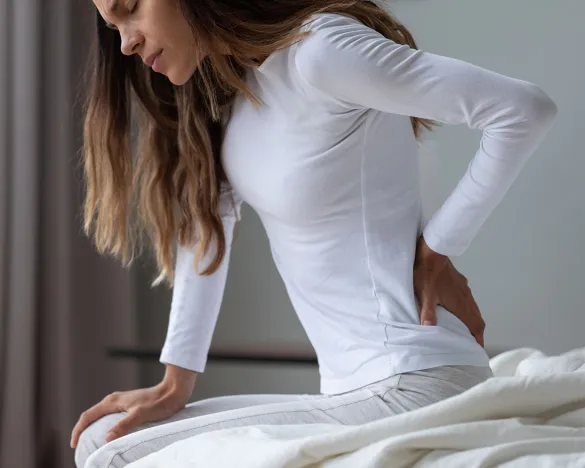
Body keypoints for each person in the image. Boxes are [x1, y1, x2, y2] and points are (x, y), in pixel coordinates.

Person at [72, 0, 557, 466]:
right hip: (354, 392)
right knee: (107, 435)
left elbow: (523, 109)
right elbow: (207, 228)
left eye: (130, 8)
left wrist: (438, 248)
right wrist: (175, 382)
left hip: (415, 382)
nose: (126, 46)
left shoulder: (320, 52)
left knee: (109, 453)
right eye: (113, 29)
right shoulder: (244, 85)